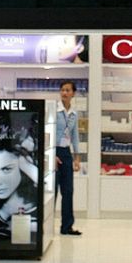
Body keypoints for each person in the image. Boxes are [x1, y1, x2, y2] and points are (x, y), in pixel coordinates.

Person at [55, 80, 83, 235]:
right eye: (62, 90)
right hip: (54, 152)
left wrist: (77, 157)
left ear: (73, 93)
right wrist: (51, 154)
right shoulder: (54, 110)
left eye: (67, 90)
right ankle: (45, 228)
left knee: (68, 191)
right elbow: (48, 131)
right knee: (51, 191)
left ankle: (67, 226)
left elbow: (75, 135)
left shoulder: (74, 113)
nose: (64, 93)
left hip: (66, 153)